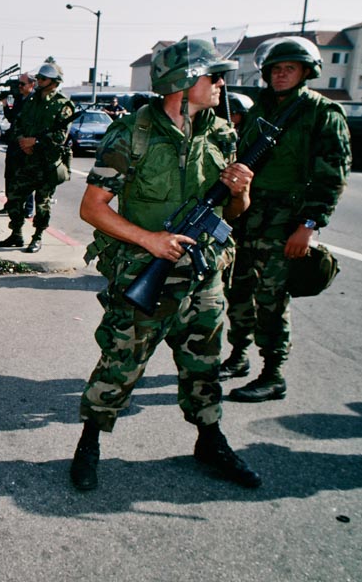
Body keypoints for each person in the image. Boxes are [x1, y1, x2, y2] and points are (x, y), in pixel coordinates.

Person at [71, 37, 262, 492]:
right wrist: (149, 240)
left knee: (204, 364)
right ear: (182, 81)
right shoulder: (133, 133)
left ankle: (210, 439)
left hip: (202, 272)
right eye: (211, 75)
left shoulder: (220, 132)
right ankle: (89, 443)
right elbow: (92, 207)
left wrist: (240, 192)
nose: (220, 83)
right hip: (145, 272)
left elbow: (234, 215)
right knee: (121, 362)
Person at [223, 37, 351, 401]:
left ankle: (273, 373)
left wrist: (308, 226)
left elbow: (332, 176)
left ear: (306, 72)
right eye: (275, 69)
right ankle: (237, 355)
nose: (280, 75)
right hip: (247, 213)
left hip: (287, 220)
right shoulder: (259, 108)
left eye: (289, 69)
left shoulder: (321, 112)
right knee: (238, 288)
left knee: (272, 295)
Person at [0, 61, 74, 253]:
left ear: (54, 82)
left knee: (42, 202)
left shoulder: (63, 105)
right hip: (26, 160)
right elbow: (18, 123)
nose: (38, 81)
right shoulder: (31, 101)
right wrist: (22, 140)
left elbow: (60, 137)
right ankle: (16, 234)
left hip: (47, 162)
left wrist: (35, 142)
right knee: (14, 197)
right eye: (37, 78)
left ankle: (37, 236)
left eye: (42, 78)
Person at [0, 72, 37, 217]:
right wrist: (5, 105)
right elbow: (12, 118)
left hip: (26, 143)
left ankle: (28, 208)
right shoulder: (19, 98)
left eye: (22, 84)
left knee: (25, 176)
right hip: (14, 142)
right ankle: (10, 203)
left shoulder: (34, 101)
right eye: (19, 84)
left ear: (32, 84)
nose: (19, 87)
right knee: (10, 173)